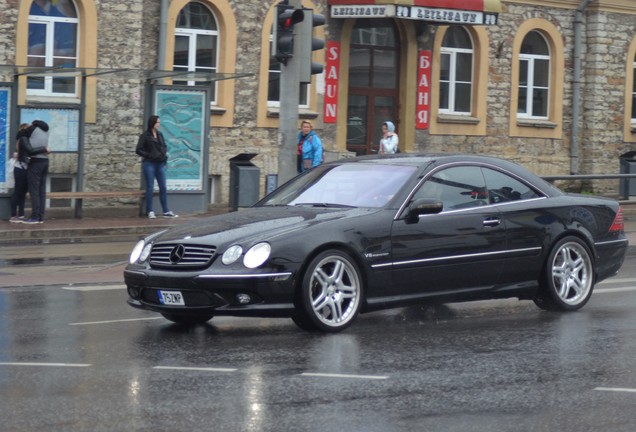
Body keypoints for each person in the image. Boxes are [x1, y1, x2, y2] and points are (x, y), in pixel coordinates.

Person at [136, 115, 178, 219]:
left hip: (160, 164)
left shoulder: (160, 134)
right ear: (152, 123)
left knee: (163, 187)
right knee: (150, 187)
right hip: (149, 164)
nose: (159, 124)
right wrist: (150, 155)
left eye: (159, 122)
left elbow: (164, 146)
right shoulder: (145, 136)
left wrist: (164, 155)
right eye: (157, 122)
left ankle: (166, 211)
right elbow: (138, 149)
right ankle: (150, 211)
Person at [9, 124, 40, 223]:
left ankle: (21, 214)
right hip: (20, 168)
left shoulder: (26, 139)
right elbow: (21, 153)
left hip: (26, 169)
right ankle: (13, 215)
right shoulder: (22, 139)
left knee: (22, 193)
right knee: (17, 192)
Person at [22, 120, 52, 224]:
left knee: (34, 191)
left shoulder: (31, 129)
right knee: (41, 191)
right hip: (45, 161)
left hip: (35, 162)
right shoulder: (46, 131)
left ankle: (34, 217)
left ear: (34, 124)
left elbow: (23, 141)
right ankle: (40, 217)